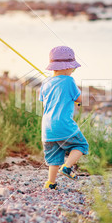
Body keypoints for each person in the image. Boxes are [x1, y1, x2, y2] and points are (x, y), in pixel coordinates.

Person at [39, 46, 89, 190]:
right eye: (73, 67)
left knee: (54, 157)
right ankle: (67, 167)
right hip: (63, 124)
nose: (73, 70)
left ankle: (51, 183)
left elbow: (45, 100)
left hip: (47, 127)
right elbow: (79, 99)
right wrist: (80, 100)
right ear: (68, 68)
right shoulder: (69, 81)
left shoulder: (45, 83)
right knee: (81, 145)